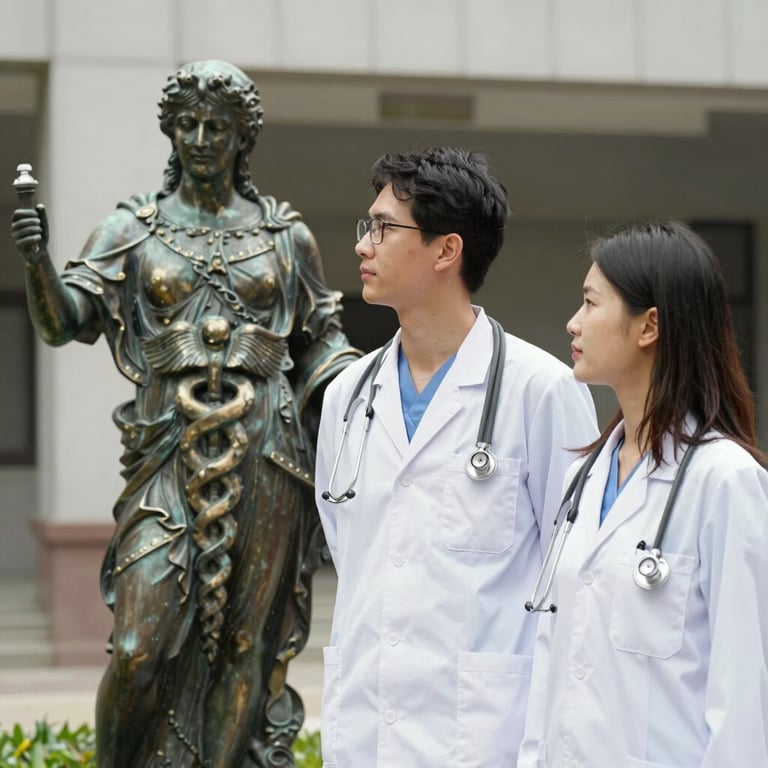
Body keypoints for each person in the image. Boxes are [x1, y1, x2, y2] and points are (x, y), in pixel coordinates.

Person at [10, 60, 360, 768]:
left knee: (245, 645)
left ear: (242, 140)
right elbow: (64, 321)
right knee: (140, 646)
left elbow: (324, 342)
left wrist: (370, 393)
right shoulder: (134, 228)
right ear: (171, 133)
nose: (201, 138)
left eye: (218, 128)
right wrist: (37, 262)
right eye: (189, 125)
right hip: (168, 453)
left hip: (268, 451)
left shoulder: (282, 234)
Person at [314, 147, 598, 767]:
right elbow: (352, 549)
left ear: (447, 251)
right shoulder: (346, 397)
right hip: (364, 728)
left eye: (384, 228)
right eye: (367, 227)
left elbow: (573, 580)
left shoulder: (540, 392)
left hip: (483, 736)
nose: (363, 245)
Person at [517, 221, 768, 768]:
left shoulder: (724, 482)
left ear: (649, 325)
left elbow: (744, 694)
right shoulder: (582, 479)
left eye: (590, 303)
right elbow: (552, 657)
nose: (573, 322)